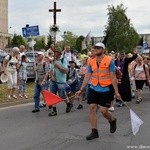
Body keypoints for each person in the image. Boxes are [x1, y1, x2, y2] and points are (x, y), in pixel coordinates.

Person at [76, 42, 121, 140]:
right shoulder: (91, 61)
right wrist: (81, 89)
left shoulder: (110, 61)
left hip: (105, 88)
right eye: (95, 47)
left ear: (103, 50)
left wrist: (117, 92)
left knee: (103, 111)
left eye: (98, 48)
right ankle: (94, 132)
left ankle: (112, 120)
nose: (95, 49)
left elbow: (113, 77)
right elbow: (87, 76)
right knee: (92, 107)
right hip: (93, 87)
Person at [49, 47, 72, 116]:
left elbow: (65, 71)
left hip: (61, 81)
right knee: (53, 95)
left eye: (55, 52)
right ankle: (54, 111)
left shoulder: (63, 60)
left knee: (62, 95)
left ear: (59, 53)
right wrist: (52, 76)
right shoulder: (53, 61)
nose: (54, 53)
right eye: (54, 52)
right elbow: (51, 70)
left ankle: (68, 104)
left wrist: (58, 66)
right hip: (53, 81)